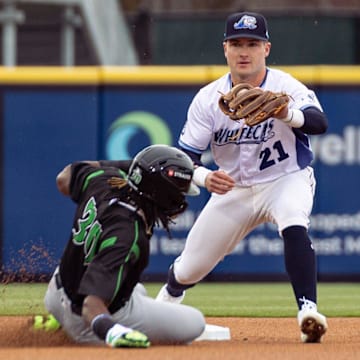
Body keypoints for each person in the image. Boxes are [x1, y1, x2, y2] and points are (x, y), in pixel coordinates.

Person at [156, 12, 329, 343]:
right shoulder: (208, 99)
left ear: (266, 48)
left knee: (293, 219)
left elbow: (318, 123)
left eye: (252, 43)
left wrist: (286, 113)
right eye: (236, 43)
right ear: (225, 49)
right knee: (190, 267)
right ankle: (164, 305)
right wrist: (206, 178)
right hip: (233, 189)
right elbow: (185, 158)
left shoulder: (285, 86)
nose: (244, 51)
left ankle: (308, 311)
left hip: (285, 178)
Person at [44, 144, 205, 348]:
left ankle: (57, 320)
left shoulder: (103, 180)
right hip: (85, 320)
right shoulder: (128, 233)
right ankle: (72, 326)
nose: (181, 199)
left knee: (138, 290)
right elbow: (90, 303)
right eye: (179, 192)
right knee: (195, 322)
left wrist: (136, 170)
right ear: (163, 192)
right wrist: (111, 331)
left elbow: (63, 179)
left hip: (56, 293)